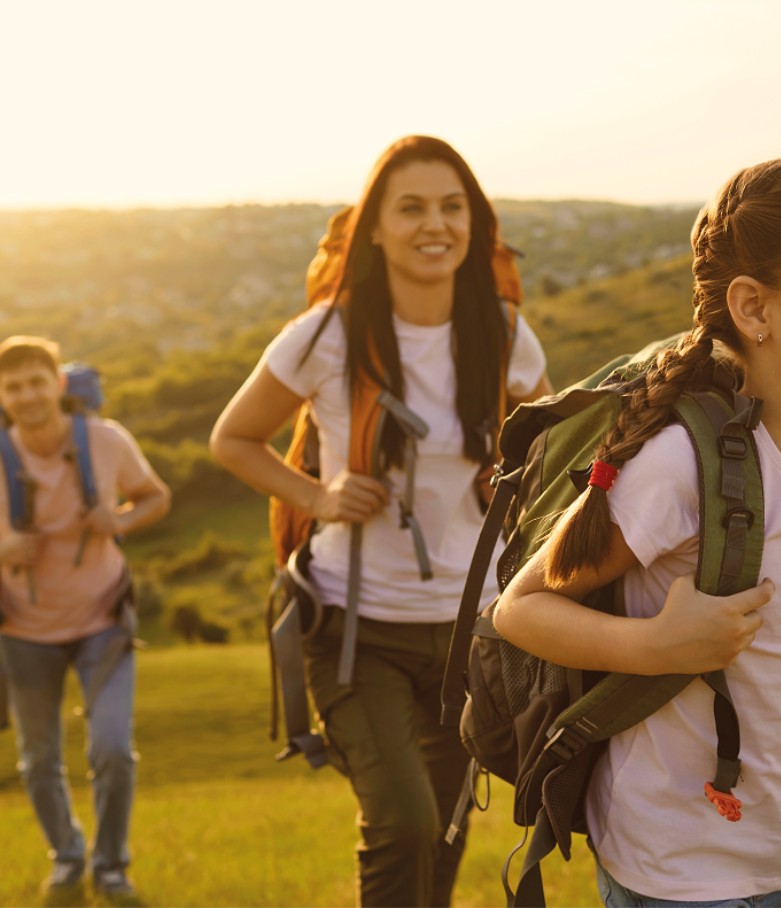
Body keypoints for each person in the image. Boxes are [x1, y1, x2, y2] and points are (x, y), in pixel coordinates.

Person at [493, 154, 781, 908]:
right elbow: (521, 608)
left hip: (780, 841)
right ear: (754, 309)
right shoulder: (679, 466)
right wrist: (654, 647)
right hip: (674, 857)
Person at [210, 135, 551, 907]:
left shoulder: (501, 331)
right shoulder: (327, 333)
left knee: (446, 830)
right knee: (401, 824)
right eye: (412, 208)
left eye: (452, 207)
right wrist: (320, 499)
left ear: (476, 224)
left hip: (474, 633)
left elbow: (549, 450)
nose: (435, 225)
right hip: (355, 627)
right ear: (374, 228)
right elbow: (232, 438)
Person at [0, 336, 171, 900]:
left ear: (59, 384)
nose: (26, 395)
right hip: (22, 630)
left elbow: (155, 498)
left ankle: (112, 865)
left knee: (113, 750)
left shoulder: (104, 439)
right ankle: (69, 859)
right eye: (13, 386)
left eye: (35, 381)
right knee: (39, 759)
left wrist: (118, 519)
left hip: (102, 618)